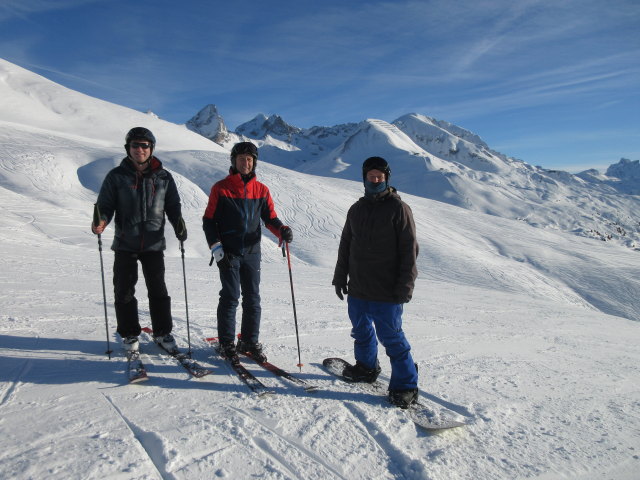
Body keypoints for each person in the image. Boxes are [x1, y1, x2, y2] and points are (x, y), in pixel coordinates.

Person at [332, 156, 420, 408]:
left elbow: (409, 249)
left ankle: (406, 385)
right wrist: (340, 276)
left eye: (379, 176)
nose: (375, 179)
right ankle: (366, 367)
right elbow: (346, 245)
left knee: (392, 338)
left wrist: (406, 285)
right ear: (364, 177)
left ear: (386, 178)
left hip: (387, 289)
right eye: (371, 175)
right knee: (361, 331)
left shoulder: (398, 209)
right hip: (359, 286)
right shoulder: (356, 209)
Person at [92, 127, 187, 352]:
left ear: (151, 148)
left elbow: (173, 205)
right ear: (128, 148)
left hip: (154, 244)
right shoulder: (116, 176)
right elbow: (105, 206)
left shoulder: (163, 177)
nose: (140, 149)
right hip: (125, 243)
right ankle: (129, 335)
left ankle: (162, 333)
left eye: (144, 145)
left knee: (158, 290)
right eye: (135, 145)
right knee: (123, 290)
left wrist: (179, 225)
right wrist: (101, 222)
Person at [203, 141, 292, 364]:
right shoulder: (221, 188)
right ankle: (226, 343)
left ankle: (249, 342)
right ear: (234, 161)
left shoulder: (261, 190)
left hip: (252, 251)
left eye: (250, 159)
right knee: (231, 296)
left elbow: (269, 217)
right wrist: (217, 249)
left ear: (254, 163)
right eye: (242, 159)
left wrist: (281, 229)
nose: (246, 163)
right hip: (228, 252)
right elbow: (209, 222)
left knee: (252, 298)